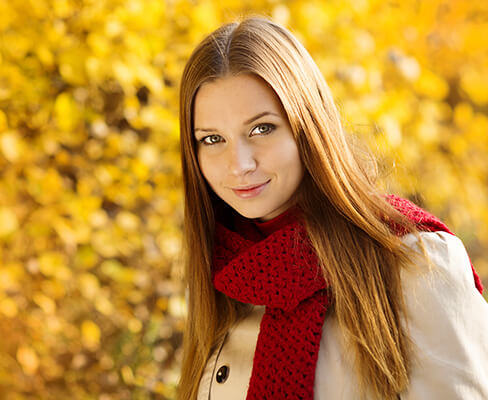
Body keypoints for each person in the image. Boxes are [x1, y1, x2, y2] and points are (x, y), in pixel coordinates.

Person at [176, 17, 488, 400]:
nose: (239, 164)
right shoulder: (223, 278)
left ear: (307, 124)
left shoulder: (412, 263)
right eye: (212, 139)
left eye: (262, 129)